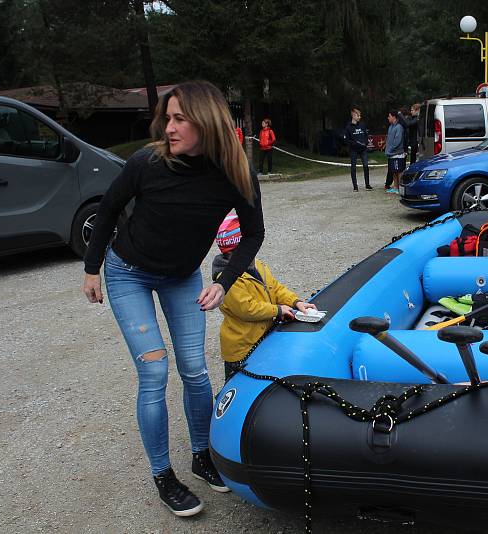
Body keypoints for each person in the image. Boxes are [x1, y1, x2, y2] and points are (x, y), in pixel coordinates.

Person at [81, 80, 265, 517]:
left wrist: (224, 282)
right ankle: (164, 474)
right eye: (168, 116)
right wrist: (92, 268)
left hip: (181, 277)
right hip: (128, 273)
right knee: (155, 373)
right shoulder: (147, 162)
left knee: (196, 372)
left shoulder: (235, 173)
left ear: (207, 122)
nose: (170, 126)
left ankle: (202, 457)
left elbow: (253, 234)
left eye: (180, 118)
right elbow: (107, 210)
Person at [211, 215, 317, 382]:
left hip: (261, 338)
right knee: (238, 384)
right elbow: (247, 309)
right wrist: (278, 310)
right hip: (242, 347)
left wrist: (296, 302)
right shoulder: (226, 280)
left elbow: (275, 287)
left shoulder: (256, 265)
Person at [344, 107, 372, 192]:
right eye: (358, 115)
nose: (360, 117)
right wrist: (354, 144)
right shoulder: (348, 127)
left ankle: (367, 185)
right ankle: (355, 186)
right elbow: (346, 140)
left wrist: (366, 143)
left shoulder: (362, 125)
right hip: (353, 150)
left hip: (363, 150)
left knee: (366, 166)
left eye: (360, 115)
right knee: (353, 168)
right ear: (353, 115)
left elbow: (366, 135)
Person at [384, 110, 405, 193]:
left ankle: (400, 188)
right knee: (393, 171)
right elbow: (389, 139)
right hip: (391, 154)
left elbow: (397, 141)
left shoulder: (399, 127)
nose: (388, 118)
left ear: (394, 117)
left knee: (398, 171)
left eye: (389, 116)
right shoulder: (390, 127)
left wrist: (390, 149)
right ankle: (395, 187)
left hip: (397, 154)